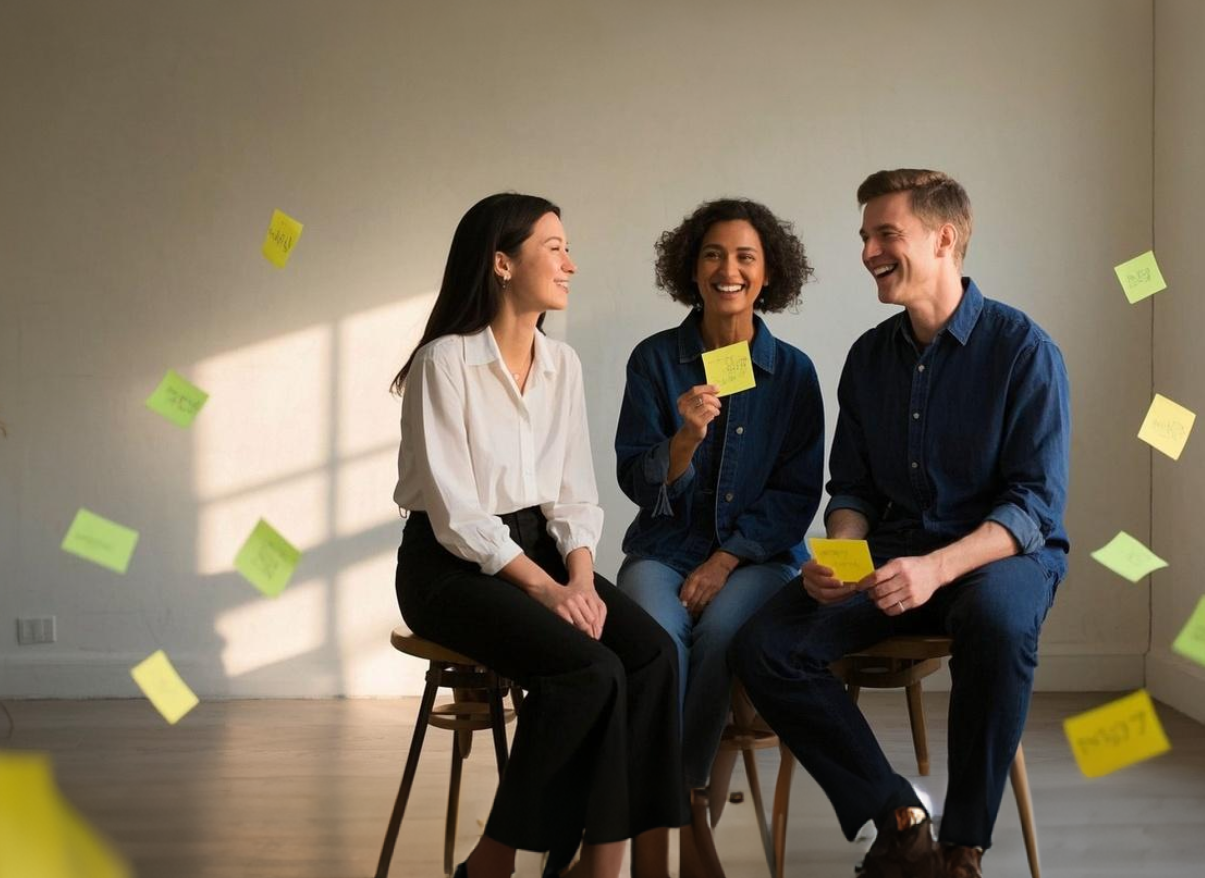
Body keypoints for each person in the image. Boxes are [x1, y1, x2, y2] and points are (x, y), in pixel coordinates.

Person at [730, 170, 1071, 878]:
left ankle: (962, 849)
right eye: (865, 237)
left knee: (999, 623)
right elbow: (850, 488)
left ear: (944, 239)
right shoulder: (868, 357)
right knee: (764, 644)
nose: (868, 252)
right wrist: (841, 554)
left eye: (886, 234)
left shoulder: (1024, 350)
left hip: (1000, 557)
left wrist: (937, 568)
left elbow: (1034, 505)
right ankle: (899, 815)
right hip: (891, 549)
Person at [392, 192, 685, 878]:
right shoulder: (444, 364)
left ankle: (598, 863)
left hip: (546, 555)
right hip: (448, 566)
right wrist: (549, 591)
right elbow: (459, 516)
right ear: (501, 263)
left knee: (652, 657)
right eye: (554, 248)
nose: (570, 264)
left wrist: (579, 578)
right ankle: (492, 863)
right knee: (588, 670)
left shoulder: (563, 365)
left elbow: (573, 494)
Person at [614, 199, 824, 876]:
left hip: (758, 559)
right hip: (663, 547)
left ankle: (679, 790)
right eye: (712, 254)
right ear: (691, 268)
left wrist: (726, 559)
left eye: (744, 257)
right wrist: (684, 442)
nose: (727, 269)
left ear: (768, 276)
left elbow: (796, 496)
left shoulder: (793, 374)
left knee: (723, 636)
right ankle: (678, 802)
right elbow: (633, 477)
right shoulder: (655, 361)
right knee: (652, 637)